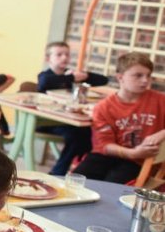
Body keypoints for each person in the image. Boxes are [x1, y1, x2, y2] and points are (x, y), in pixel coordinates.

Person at [73, 53, 165, 183]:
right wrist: (133, 153)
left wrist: (162, 133)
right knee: (76, 179)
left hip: (141, 163)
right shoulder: (104, 107)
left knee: (110, 186)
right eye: (138, 75)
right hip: (113, 155)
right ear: (120, 78)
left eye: (148, 75)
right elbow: (105, 145)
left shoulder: (160, 100)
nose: (145, 80)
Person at [36, 41, 110, 175]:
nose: (64, 57)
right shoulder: (45, 75)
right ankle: (59, 172)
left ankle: (80, 167)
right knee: (75, 136)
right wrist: (71, 77)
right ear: (48, 59)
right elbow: (45, 83)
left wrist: (85, 76)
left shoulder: (72, 75)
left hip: (67, 120)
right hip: (46, 121)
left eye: (67, 55)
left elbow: (103, 80)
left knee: (88, 132)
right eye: (59, 55)